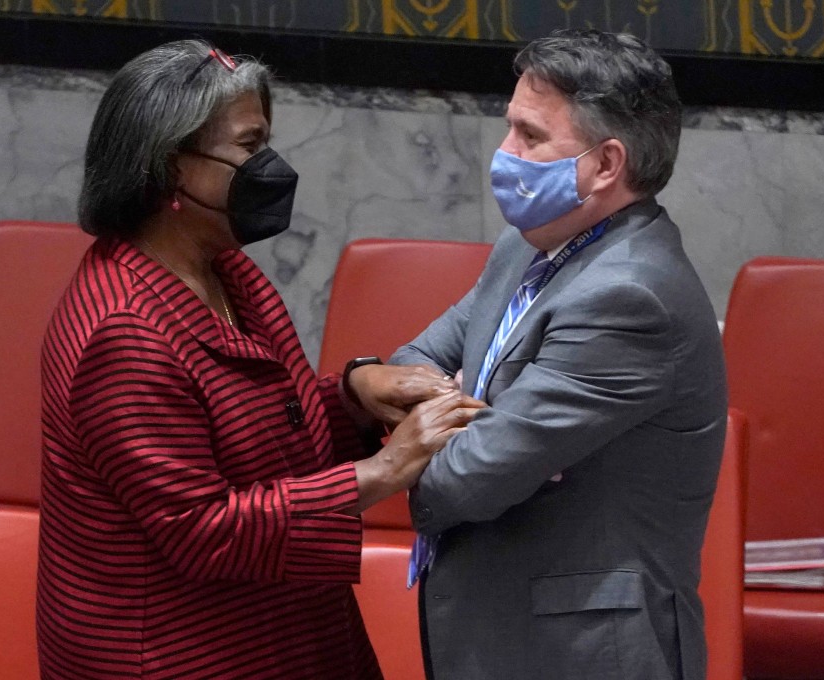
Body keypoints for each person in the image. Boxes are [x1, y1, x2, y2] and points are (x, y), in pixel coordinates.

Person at [36, 39, 483, 680]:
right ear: (169, 169)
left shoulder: (224, 269)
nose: (268, 166)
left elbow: (267, 427)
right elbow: (201, 526)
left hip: (280, 627)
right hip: (178, 655)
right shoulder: (123, 332)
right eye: (249, 148)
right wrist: (385, 470)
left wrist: (355, 395)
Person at [346, 29, 727, 680]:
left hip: (584, 653)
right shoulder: (527, 249)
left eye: (530, 136)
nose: (505, 154)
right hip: (499, 633)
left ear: (606, 164)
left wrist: (457, 423)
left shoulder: (630, 295)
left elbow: (462, 481)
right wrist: (385, 383)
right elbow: (414, 362)